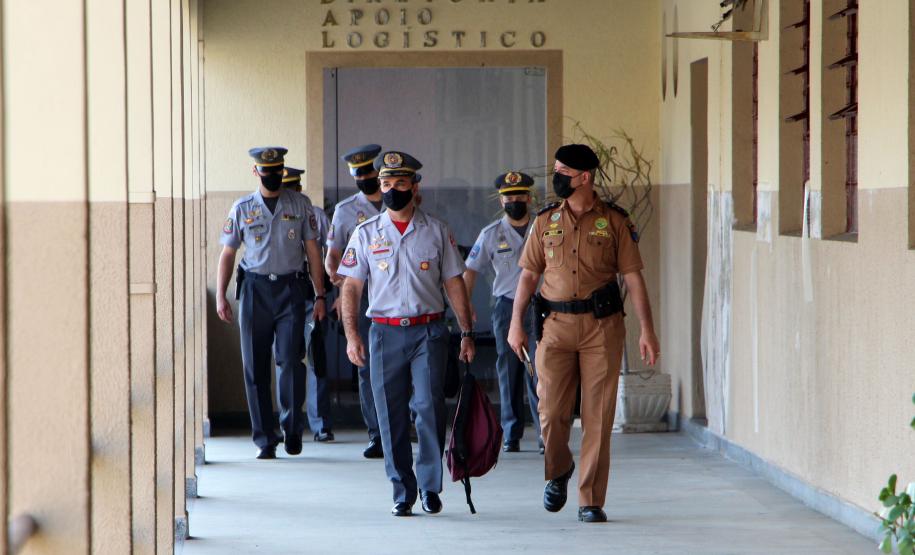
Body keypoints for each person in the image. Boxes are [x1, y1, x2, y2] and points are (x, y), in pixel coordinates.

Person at [508, 144, 660, 523]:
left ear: (585, 177)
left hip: (601, 330)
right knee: (551, 412)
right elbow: (528, 276)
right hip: (554, 328)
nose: (557, 177)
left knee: (598, 417)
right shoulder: (545, 221)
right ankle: (559, 470)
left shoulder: (616, 222)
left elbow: (633, 278)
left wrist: (647, 330)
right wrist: (515, 324)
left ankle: (590, 499)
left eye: (563, 171)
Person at [338, 150, 475, 517]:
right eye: (386, 183)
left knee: (429, 409)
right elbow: (350, 288)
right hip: (383, 334)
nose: (393, 189)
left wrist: (466, 331)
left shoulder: (436, 230)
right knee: (390, 415)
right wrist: (353, 336)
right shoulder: (365, 233)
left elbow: (454, 282)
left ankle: (430, 487)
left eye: (400, 183)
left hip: (428, 332)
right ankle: (402, 489)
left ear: (415, 187)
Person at [215, 147, 327, 460]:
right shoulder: (242, 207)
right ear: (257, 173)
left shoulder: (300, 205)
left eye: (278, 170)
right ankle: (265, 438)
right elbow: (228, 253)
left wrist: (320, 295)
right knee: (255, 367)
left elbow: (313, 252)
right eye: (267, 171)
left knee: (291, 361)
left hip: (291, 289)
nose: (273, 176)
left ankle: (292, 429)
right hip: (254, 290)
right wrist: (220, 294)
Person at [464, 171, 543, 454]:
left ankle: (545, 433)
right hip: (507, 307)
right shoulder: (491, 234)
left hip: (542, 307)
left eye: (520, 195)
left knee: (540, 370)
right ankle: (511, 433)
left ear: (529, 197)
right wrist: (466, 304)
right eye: (509, 196)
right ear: (501, 199)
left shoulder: (544, 227)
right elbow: (470, 271)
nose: (515, 200)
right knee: (508, 371)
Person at [325, 144, 386, 458]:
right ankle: (377, 433)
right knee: (366, 366)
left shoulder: (397, 200)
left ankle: (402, 425)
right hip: (362, 296)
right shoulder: (346, 210)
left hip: (394, 293)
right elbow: (332, 252)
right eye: (358, 175)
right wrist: (334, 275)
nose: (365, 178)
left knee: (398, 365)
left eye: (369, 172)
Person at [283, 166, 334, 442]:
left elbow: (328, 253)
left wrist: (324, 293)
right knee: (288, 361)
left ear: (300, 189)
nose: (290, 194)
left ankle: (320, 424)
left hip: (313, 292)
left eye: (294, 189)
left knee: (316, 358)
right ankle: (291, 423)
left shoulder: (315, 215)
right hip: (287, 293)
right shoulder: (274, 215)